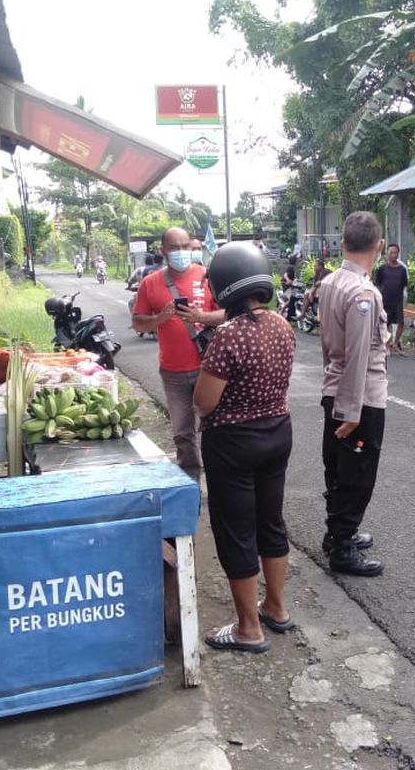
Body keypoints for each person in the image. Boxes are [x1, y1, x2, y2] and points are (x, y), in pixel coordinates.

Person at [193, 242, 297, 653]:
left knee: (236, 532)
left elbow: (204, 401)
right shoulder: (282, 325)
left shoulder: (227, 337)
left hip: (234, 443)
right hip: (277, 433)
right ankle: (276, 607)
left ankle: (248, 629)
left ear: (223, 287)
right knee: (270, 522)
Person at [317, 211, 388, 576]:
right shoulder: (362, 293)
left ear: (343, 244)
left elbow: (330, 347)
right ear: (379, 246)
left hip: (336, 390)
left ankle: (337, 533)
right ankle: (342, 546)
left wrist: (337, 398)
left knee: (339, 466)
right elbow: (359, 354)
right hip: (360, 399)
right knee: (358, 473)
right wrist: (352, 410)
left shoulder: (331, 283)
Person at [132, 227, 227, 479]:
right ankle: (192, 482)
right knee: (183, 432)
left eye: (186, 246)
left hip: (209, 368)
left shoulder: (208, 276)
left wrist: (201, 316)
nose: (181, 252)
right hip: (173, 371)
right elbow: (138, 323)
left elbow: (229, 315)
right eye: (175, 247)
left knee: (215, 426)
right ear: (163, 251)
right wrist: (159, 318)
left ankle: (219, 477)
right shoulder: (150, 284)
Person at [374, 243, 409, 353]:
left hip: (398, 300)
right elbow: (378, 284)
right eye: (391, 252)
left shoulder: (402, 270)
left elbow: (404, 284)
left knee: (401, 323)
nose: (394, 255)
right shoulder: (382, 269)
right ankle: (387, 345)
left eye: (396, 252)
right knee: (385, 324)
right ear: (387, 254)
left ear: (398, 254)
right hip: (385, 301)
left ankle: (395, 343)